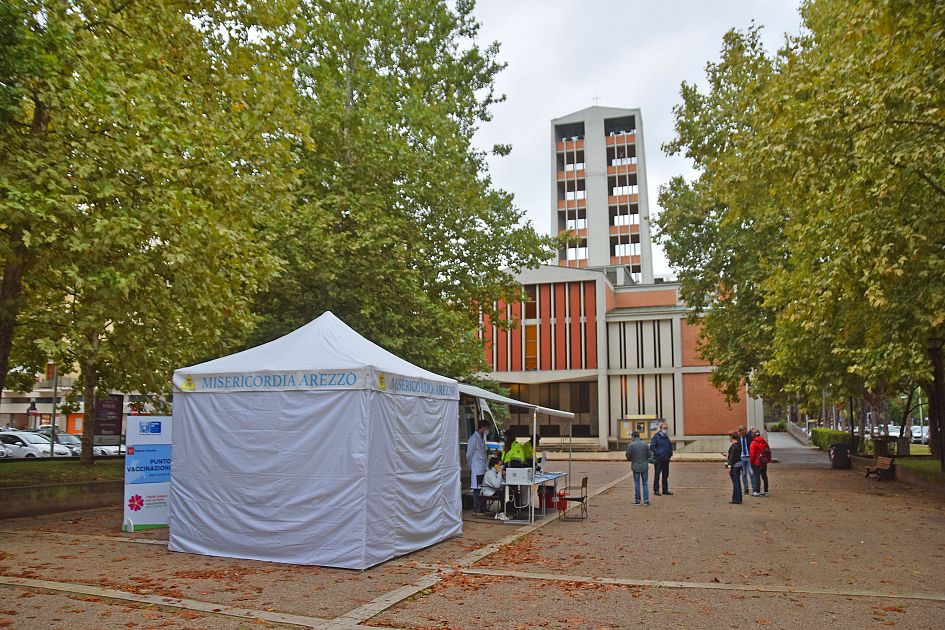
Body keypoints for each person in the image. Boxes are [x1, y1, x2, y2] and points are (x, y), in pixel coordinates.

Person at [466, 420, 490, 516]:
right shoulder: (473, 439)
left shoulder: (481, 438)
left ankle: (482, 507)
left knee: (482, 488)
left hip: (482, 467)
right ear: (483, 428)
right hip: (476, 467)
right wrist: (469, 466)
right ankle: (476, 509)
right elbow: (469, 454)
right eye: (487, 428)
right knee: (476, 489)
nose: (487, 430)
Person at [625, 431, 650, 505]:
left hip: (635, 466)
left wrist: (632, 459)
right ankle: (646, 500)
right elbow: (649, 455)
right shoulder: (645, 444)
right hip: (644, 466)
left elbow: (628, 456)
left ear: (633, 437)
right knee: (645, 483)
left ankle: (637, 500)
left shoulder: (631, 445)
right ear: (639, 436)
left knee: (637, 483)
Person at [650, 422, 673, 495]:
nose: (665, 429)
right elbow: (652, 446)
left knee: (665, 475)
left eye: (666, 428)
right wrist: (659, 454)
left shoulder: (666, 437)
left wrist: (670, 453)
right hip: (659, 459)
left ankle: (665, 489)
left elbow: (669, 446)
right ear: (660, 429)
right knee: (657, 474)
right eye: (664, 428)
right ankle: (656, 490)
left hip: (666, 459)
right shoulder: (656, 437)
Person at [749, 431, 771, 496]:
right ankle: (766, 491)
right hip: (763, 462)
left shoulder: (753, 443)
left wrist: (751, 462)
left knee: (757, 477)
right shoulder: (764, 442)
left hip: (756, 463)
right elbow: (768, 451)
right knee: (764, 476)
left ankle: (757, 491)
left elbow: (752, 454)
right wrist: (768, 460)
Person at [736, 425, 755, 496]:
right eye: (742, 433)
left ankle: (754, 489)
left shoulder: (750, 437)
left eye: (745, 432)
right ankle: (746, 488)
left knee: (751, 473)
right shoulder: (738, 439)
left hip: (749, 457)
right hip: (742, 457)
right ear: (740, 432)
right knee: (744, 474)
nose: (744, 434)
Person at [726, 432, 743, 504]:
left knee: (735, 483)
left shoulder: (733, 446)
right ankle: (738, 498)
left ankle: (736, 499)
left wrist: (728, 467)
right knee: (737, 482)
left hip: (734, 465)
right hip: (739, 464)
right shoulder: (739, 445)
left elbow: (732, 458)